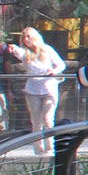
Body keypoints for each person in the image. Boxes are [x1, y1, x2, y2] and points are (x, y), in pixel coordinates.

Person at [12, 27, 66, 156]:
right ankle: (38, 149)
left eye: (29, 37)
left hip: (49, 89)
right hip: (32, 90)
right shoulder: (25, 53)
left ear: (35, 37)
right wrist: (12, 48)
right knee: (36, 121)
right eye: (24, 37)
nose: (26, 40)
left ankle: (50, 148)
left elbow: (61, 64)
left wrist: (54, 71)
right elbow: (17, 51)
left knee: (47, 119)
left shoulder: (47, 50)